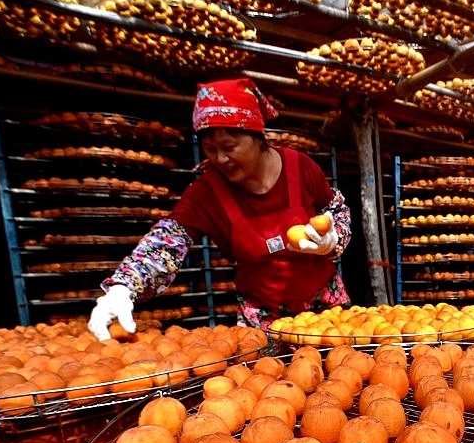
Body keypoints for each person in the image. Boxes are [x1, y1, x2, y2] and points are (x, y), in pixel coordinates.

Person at [88, 78, 351, 340]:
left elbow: (336, 211)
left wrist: (333, 237)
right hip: (264, 320)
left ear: (258, 137)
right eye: (210, 149)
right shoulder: (207, 192)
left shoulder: (300, 167)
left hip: (325, 314)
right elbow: (167, 240)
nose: (220, 159)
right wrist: (124, 287)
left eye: (229, 147)